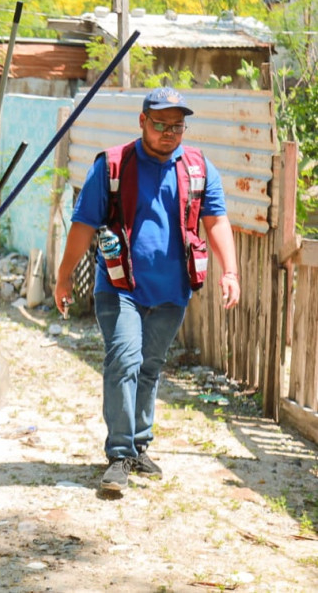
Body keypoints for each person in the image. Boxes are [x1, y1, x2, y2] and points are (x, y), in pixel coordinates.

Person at [54, 87, 240, 492]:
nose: (169, 133)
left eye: (177, 126)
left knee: (150, 367)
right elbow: (84, 224)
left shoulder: (199, 168)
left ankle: (139, 445)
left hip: (173, 291)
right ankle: (119, 454)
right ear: (142, 121)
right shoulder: (112, 165)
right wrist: (64, 276)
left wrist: (231, 272)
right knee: (124, 360)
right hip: (119, 286)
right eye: (161, 125)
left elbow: (216, 221)